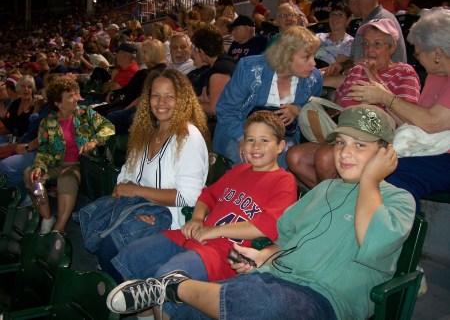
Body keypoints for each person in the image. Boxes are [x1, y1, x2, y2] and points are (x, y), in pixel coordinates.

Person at [107, 105, 416, 320]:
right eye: (341, 144)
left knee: (268, 307)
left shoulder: (398, 201)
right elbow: (287, 237)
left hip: (324, 300)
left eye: (360, 146)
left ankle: (172, 286)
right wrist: (263, 255)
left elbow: (373, 243)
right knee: (194, 310)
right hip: (271, 277)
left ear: (385, 152)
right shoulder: (324, 190)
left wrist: (371, 180)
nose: (346, 153)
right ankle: (171, 290)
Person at [107, 111, 298, 320]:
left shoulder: (284, 181)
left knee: (167, 278)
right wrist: (198, 218)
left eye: (264, 140)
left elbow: (265, 226)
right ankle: (147, 315)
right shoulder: (238, 171)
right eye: (250, 140)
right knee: (135, 253)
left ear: (280, 146)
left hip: (226, 253)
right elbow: (207, 194)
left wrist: (214, 231)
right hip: (195, 235)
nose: (256, 146)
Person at [78, 69, 210, 281]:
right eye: (155, 95)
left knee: (108, 248)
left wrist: (138, 193)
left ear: (182, 100)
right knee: (94, 225)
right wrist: (136, 204)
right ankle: (143, 308)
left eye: (170, 96)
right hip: (138, 209)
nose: (161, 102)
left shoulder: (188, 135)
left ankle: (143, 307)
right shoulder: (146, 131)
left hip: (172, 223)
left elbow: (189, 197)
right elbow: (124, 177)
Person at [287, 18, 420, 188]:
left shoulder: (404, 72)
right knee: (295, 157)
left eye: (377, 44)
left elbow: (407, 121)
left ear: (392, 48)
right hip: (343, 136)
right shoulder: (356, 71)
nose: (369, 49)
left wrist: (374, 79)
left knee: (325, 157)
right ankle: (343, 199)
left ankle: (334, 203)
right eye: (366, 44)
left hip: (375, 142)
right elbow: (337, 107)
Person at [346, 8, 450, 212]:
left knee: (387, 173)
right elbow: (414, 124)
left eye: (418, 51)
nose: (416, 57)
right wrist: (381, 95)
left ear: (437, 53)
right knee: (372, 165)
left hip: (445, 158)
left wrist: (385, 97)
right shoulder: (435, 75)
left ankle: (395, 235)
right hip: (431, 151)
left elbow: (431, 123)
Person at [214, 26, 323, 168]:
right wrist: (244, 138)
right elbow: (225, 109)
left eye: (314, 56)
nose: (313, 63)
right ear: (286, 56)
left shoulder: (313, 78)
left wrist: (298, 109)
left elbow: (315, 113)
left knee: (280, 158)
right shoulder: (249, 68)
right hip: (239, 131)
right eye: (306, 57)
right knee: (248, 157)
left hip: (282, 138)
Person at [23, 79, 115, 234]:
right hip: (55, 163)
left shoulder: (85, 114)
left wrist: (94, 141)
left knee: (66, 179)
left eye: (75, 95)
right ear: (58, 103)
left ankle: (59, 228)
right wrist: (39, 166)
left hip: (79, 164)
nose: (76, 99)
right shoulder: (47, 122)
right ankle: (47, 218)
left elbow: (109, 127)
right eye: (70, 97)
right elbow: (44, 150)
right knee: (30, 176)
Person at [325, 0, 407, 84]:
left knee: (324, 81)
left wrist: (341, 68)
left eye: (348, 0)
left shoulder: (377, 22)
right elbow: (356, 60)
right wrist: (342, 65)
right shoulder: (374, 18)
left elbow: (361, 64)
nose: (348, 4)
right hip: (373, 76)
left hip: (384, 81)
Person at [191, 25, 236, 116]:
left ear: (202, 51)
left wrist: (189, 104)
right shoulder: (225, 62)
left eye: (194, 49)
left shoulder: (220, 70)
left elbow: (214, 109)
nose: (192, 53)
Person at [315, 4, 354, 70]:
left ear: (348, 20)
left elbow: (335, 67)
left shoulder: (350, 43)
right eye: (332, 14)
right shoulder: (318, 37)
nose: (335, 17)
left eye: (340, 14)